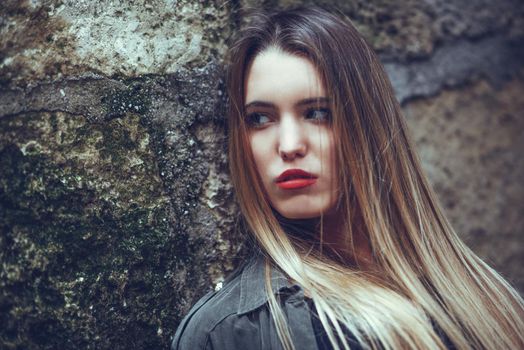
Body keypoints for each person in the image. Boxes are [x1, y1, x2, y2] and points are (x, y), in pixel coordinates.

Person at [172, 6, 524, 350]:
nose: (290, 146)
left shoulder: (490, 299)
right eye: (260, 119)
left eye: (317, 113)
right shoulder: (226, 333)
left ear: (369, 125)